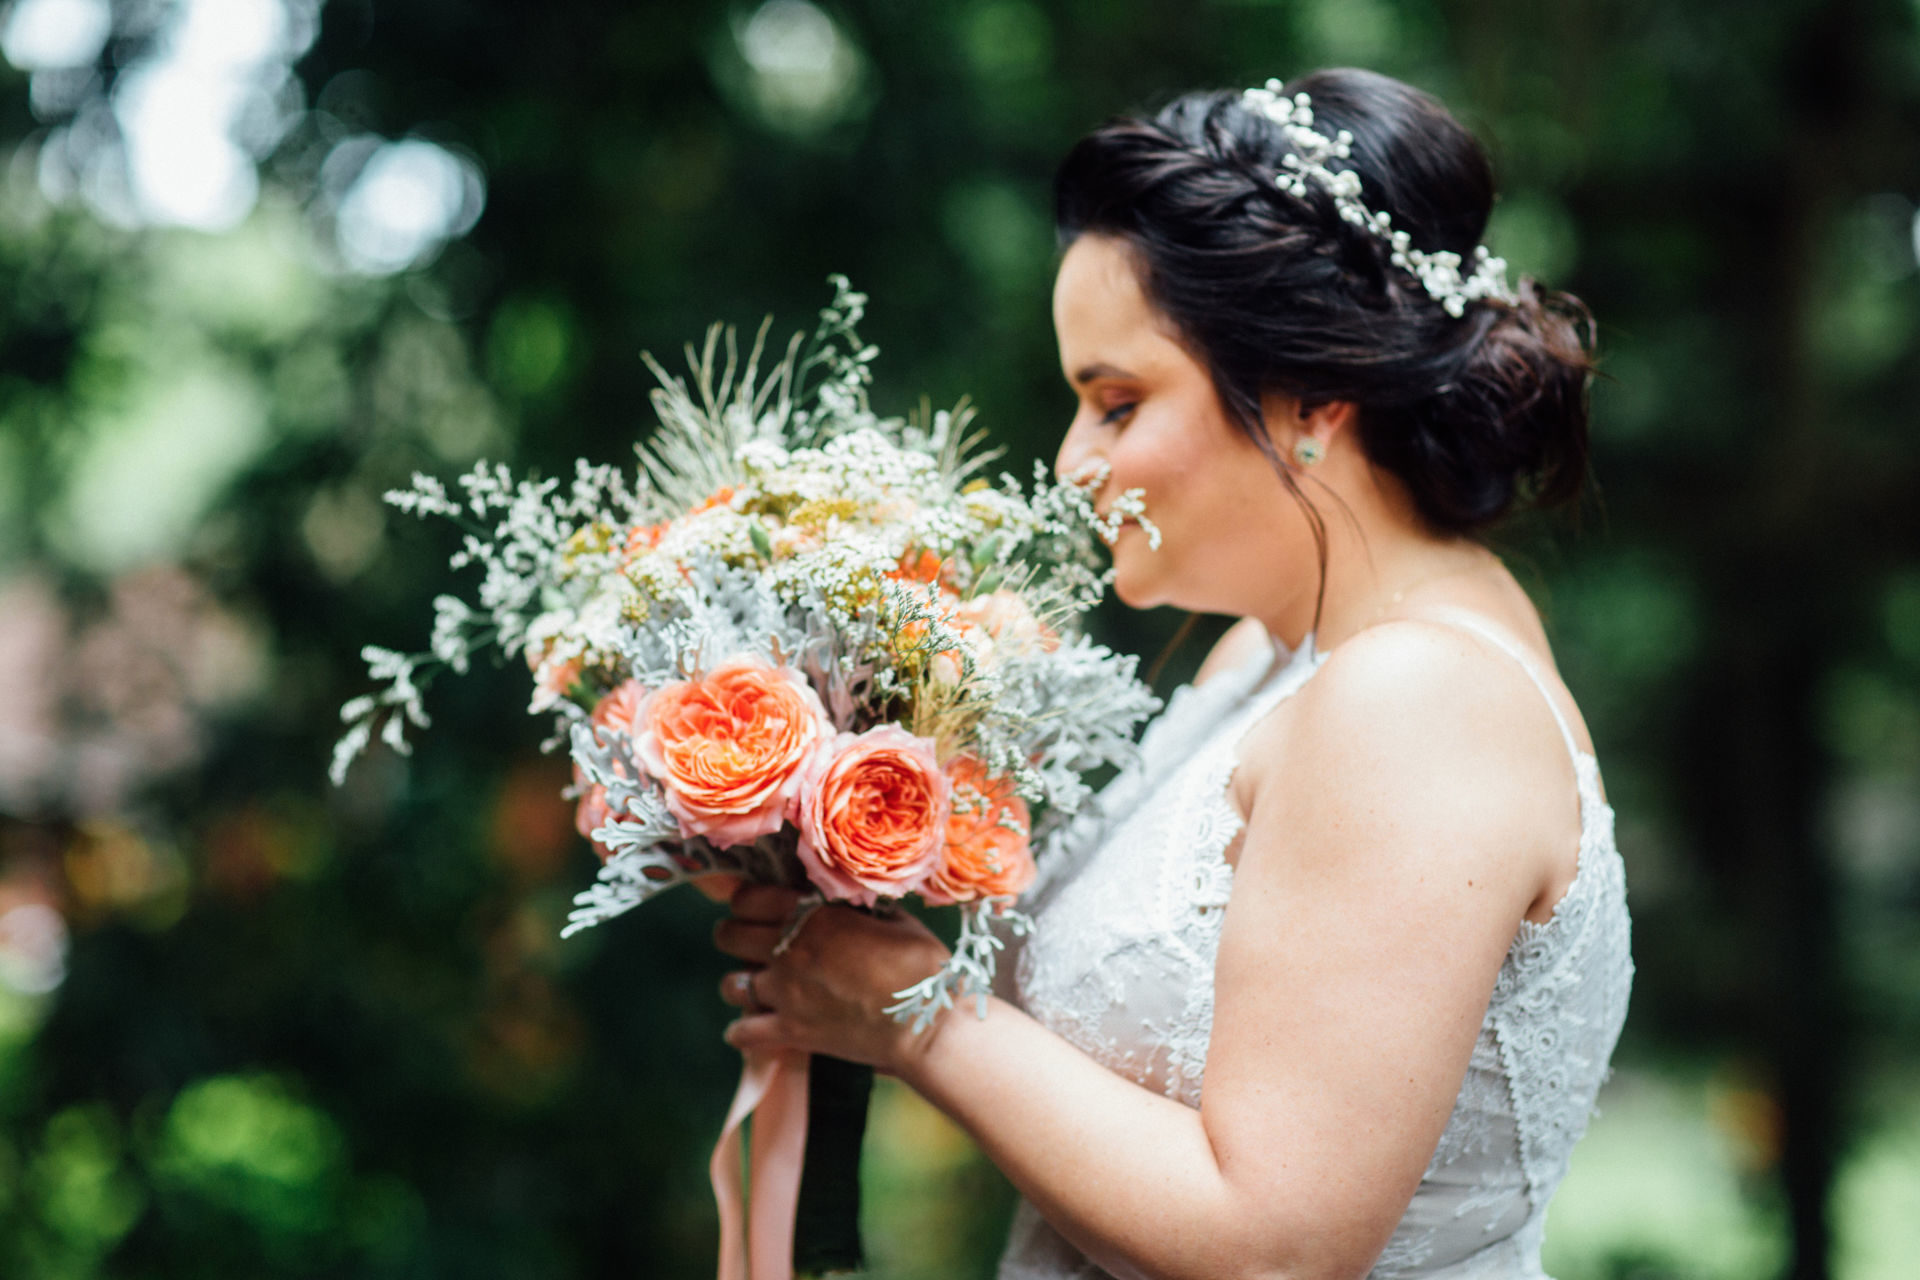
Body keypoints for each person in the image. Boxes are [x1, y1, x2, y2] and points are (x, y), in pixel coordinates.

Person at [713, 66, 1632, 1280]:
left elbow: (1277, 1243)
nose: (1072, 461)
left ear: (1313, 396)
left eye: (1117, 400)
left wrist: (918, 1015)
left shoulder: (1417, 703)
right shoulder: (1274, 656)